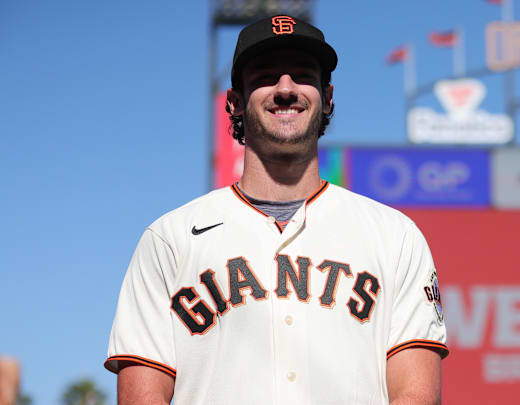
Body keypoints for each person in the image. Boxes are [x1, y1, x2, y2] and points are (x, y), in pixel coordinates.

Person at [105, 15, 448, 405]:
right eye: (266, 76)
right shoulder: (170, 239)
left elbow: (415, 393)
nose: (286, 89)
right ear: (234, 102)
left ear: (328, 96)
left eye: (302, 75)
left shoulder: (394, 236)